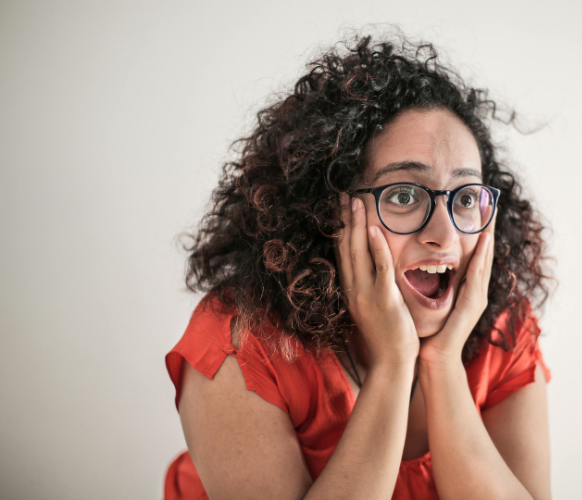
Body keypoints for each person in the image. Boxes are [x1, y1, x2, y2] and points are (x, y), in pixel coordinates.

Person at [164, 33, 553, 500]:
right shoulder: (239, 343)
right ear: (330, 212)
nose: (446, 235)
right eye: (404, 195)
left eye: (466, 197)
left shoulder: (503, 331)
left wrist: (444, 364)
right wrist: (393, 364)